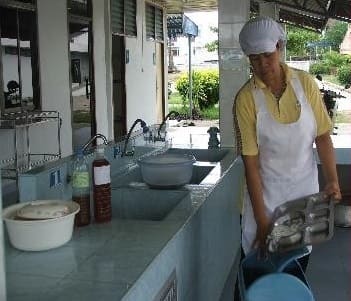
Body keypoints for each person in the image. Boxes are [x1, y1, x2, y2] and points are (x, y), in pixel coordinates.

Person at [233, 17, 341, 261]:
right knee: (258, 282)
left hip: (303, 199)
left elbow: (322, 136)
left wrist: (332, 180)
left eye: (267, 55)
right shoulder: (246, 99)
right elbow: (251, 165)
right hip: (265, 201)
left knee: (296, 269)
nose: (262, 65)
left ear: (279, 47)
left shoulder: (304, 84)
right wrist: (262, 222)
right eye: (254, 58)